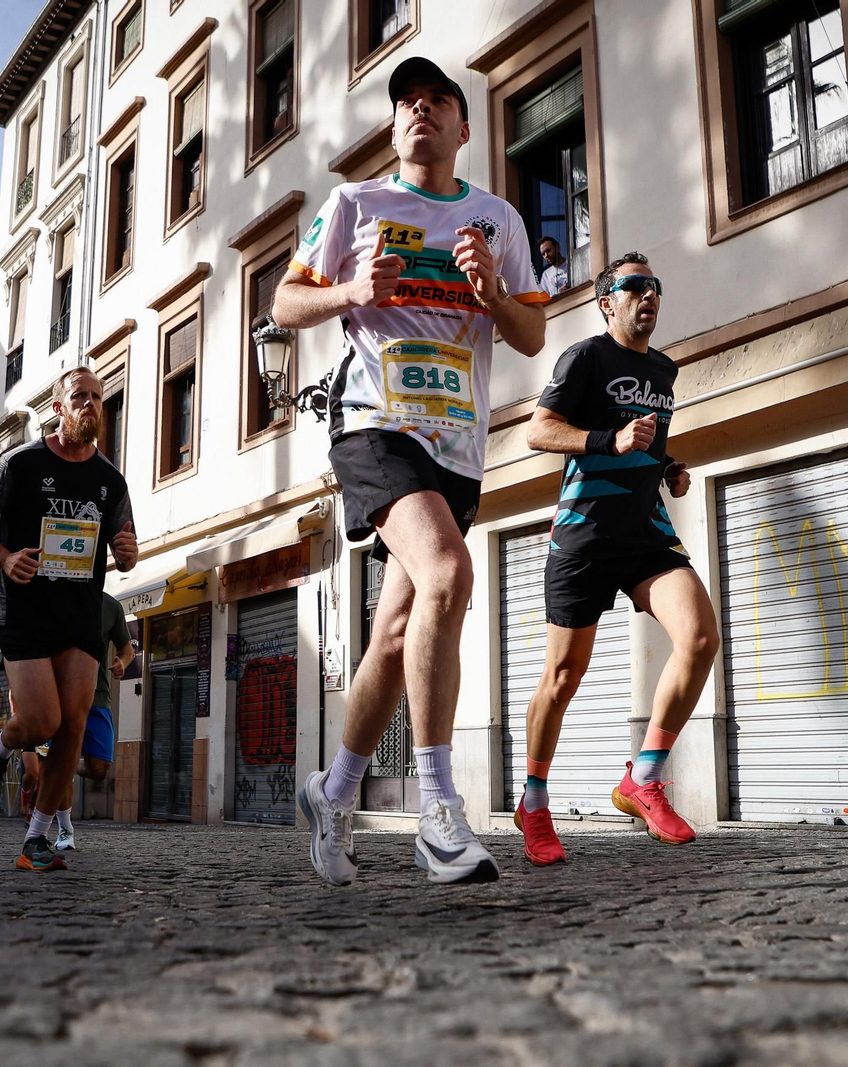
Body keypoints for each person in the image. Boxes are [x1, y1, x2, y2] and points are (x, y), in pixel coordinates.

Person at [272, 56, 547, 886]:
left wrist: (492, 292)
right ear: (394, 131)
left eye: (438, 102)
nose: (420, 111)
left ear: (464, 128)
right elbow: (285, 305)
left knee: (396, 632)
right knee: (448, 570)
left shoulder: (496, 217)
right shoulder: (357, 203)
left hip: (456, 446)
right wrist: (350, 287)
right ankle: (437, 811)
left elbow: (531, 337)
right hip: (373, 427)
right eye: (407, 104)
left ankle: (335, 788)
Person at [515, 252, 719, 865]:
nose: (647, 296)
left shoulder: (664, 369)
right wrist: (611, 440)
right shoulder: (584, 357)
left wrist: (669, 468)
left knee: (700, 638)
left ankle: (643, 778)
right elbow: (539, 430)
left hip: (644, 533)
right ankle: (535, 801)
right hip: (583, 533)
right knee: (562, 677)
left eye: (653, 286)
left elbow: (652, 442)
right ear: (608, 301)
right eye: (633, 286)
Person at [0, 365, 137, 873]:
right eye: (79, 396)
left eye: (97, 398)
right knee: (41, 721)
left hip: (81, 610)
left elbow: (125, 547)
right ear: (57, 407)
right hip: (25, 606)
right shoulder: (21, 463)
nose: (89, 405)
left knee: (73, 725)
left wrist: (128, 553)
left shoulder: (110, 480)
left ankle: (36, 840)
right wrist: (2, 556)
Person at [50, 591, 134, 851]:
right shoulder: (54, 597)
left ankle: (72, 765)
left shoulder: (110, 605)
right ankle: (65, 829)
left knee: (99, 770)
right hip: (60, 693)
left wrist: (123, 662)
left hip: (98, 696)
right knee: (62, 763)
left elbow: (127, 647)